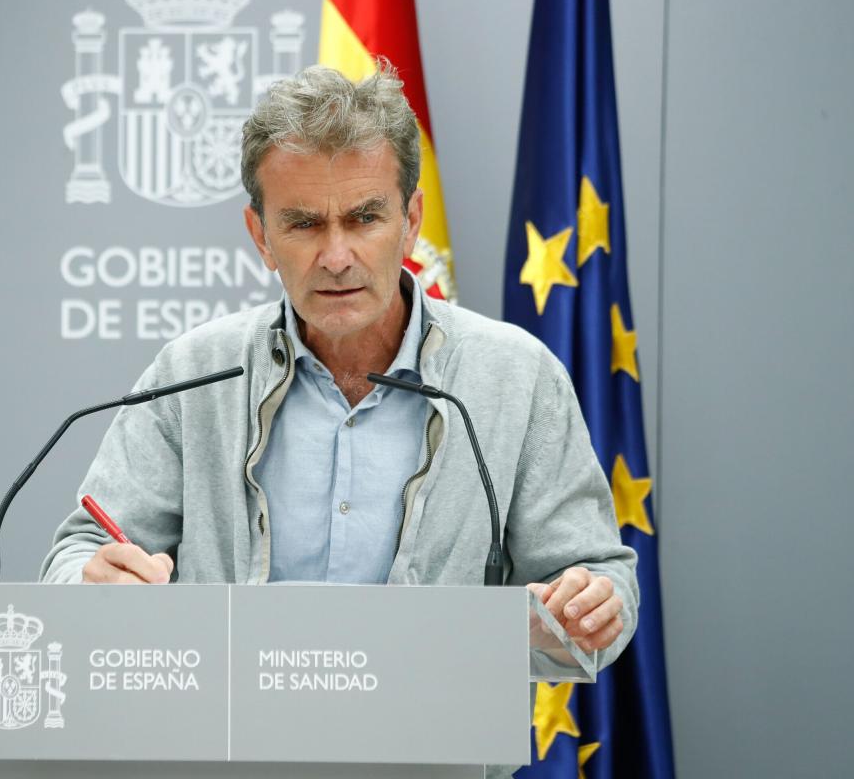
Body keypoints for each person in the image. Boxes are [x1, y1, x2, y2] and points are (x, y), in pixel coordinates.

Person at [42, 63, 638, 663]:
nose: (335, 256)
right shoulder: (192, 372)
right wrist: (94, 583)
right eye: (303, 224)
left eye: (364, 219)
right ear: (261, 235)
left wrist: (587, 607)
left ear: (411, 222)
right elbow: (80, 551)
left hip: (428, 722)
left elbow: (598, 578)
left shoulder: (516, 376)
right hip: (233, 721)